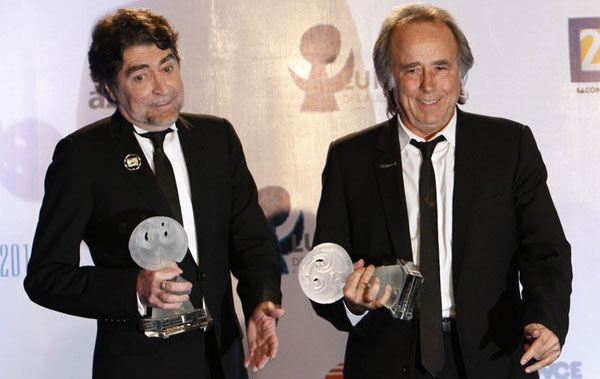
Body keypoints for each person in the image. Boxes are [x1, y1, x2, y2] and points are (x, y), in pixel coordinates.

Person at [311, 3, 571, 379]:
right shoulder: (349, 160)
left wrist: (546, 320)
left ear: (460, 74)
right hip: (385, 362)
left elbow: (545, 250)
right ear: (390, 79)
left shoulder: (509, 146)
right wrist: (352, 302)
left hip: (493, 358)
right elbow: (327, 268)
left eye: (441, 67)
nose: (428, 85)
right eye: (412, 69)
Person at [24, 8, 283, 379]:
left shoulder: (216, 138)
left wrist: (261, 300)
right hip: (138, 366)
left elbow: (252, 242)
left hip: (223, 362)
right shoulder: (83, 157)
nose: (163, 88)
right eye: (141, 76)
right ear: (111, 88)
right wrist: (134, 288)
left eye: (167, 67)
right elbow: (46, 277)